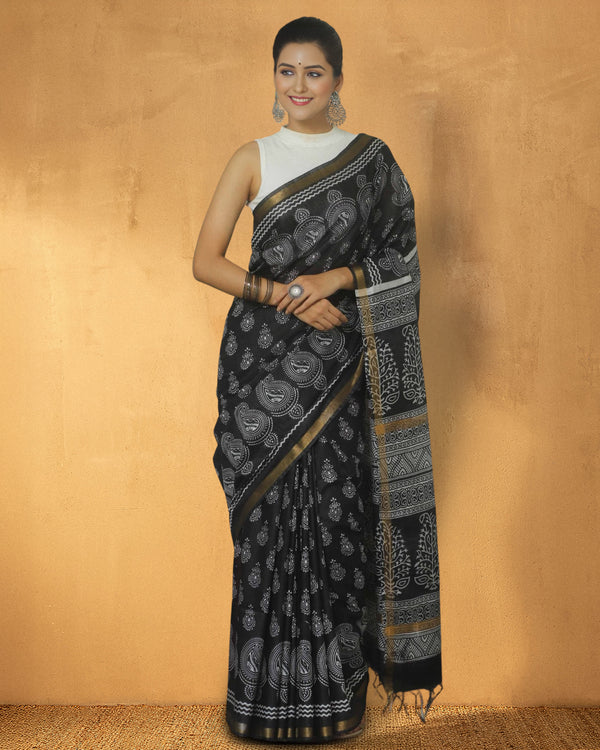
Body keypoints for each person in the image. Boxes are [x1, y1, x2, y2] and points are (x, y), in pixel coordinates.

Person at [193, 17, 442, 743]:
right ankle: (258, 704)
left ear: (337, 80)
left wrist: (336, 277)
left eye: (314, 72)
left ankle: (336, 704)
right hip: (260, 371)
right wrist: (285, 296)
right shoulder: (253, 157)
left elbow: (403, 258)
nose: (298, 85)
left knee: (338, 525)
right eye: (286, 71)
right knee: (266, 534)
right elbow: (206, 261)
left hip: (343, 370)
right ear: (274, 77)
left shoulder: (370, 161)